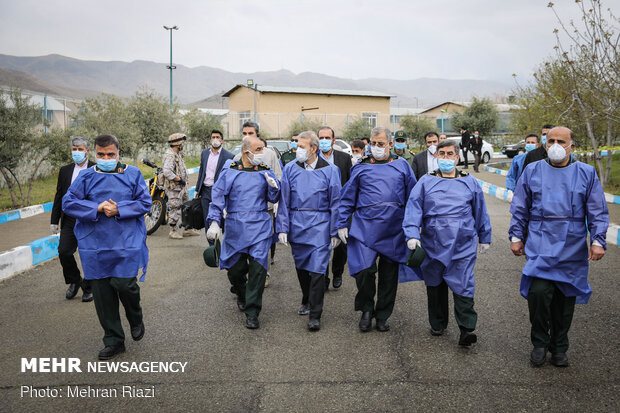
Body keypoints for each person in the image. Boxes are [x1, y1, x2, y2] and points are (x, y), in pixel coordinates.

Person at [509, 126, 608, 368]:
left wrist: (598, 240)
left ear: (572, 146)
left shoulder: (586, 173)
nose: (555, 145)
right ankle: (540, 343)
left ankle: (559, 346)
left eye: (561, 141)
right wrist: (516, 236)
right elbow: (521, 207)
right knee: (539, 293)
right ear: (544, 144)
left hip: (572, 245)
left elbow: (596, 210)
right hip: (540, 242)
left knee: (565, 299)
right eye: (550, 140)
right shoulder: (532, 171)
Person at [62, 134, 151, 360]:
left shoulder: (132, 174)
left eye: (110, 154)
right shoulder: (85, 176)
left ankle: (135, 316)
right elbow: (69, 202)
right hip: (95, 244)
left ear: (118, 153)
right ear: (94, 153)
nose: (106, 158)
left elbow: (144, 202)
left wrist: (119, 208)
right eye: (101, 154)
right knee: (102, 295)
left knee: (126, 285)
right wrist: (97, 208)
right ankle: (113, 340)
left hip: (126, 241)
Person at [403, 139, 491, 346]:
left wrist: (484, 236)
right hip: (433, 241)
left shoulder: (470, 182)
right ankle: (438, 322)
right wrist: (412, 234)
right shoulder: (425, 181)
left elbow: (480, 211)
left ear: (457, 157)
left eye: (449, 154)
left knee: (463, 283)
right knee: (435, 282)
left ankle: (466, 328)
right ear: (436, 157)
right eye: (441, 154)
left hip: (463, 243)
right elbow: (414, 208)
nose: (445, 158)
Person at [337, 126, 417, 332]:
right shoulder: (360, 168)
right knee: (364, 271)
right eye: (373, 144)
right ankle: (366, 309)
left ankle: (382, 314)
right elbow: (347, 199)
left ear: (390, 144)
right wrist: (342, 223)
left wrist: (415, 227)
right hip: (365, 227)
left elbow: (414, 199)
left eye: (381, 144)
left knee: (389, 276)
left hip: (394, 228)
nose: (376, 147)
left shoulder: (402, 166)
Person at [207, 136, 280, 329]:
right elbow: (217, 198)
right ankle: (241, 292)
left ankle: (253, 312)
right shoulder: (230, 170)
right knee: (235, 269)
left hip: (260, 226)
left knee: (258, 270)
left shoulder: (265, 170)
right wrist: (214, 221)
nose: (262, 153)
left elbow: (273, 196)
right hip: (236, 227)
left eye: (263, 149)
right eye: (258, 149)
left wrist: (274, 188)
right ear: (246, 152)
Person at [276, 131, 341, 330]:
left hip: (320, 223)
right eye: (297, 146)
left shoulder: (331, 170)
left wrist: (335, 230)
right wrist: (282, 227)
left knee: (318, 269)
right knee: (302, 267)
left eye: (302, 147)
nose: (298, 150)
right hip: (297, 223)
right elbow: (284, 200)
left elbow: (336, 202)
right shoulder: (290, 169)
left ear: (313, 149)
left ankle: (315, 314)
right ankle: (306, 298)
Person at [233, 122, 282, 287]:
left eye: (251, 133)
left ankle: (263, 273)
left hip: (264, 209)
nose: (247, 136)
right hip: (242, 211)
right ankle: (247, 273)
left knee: (262, 244)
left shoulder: (268, 155)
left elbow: (278, 176)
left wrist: (276, 196)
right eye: (244, 133)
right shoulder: (236, 157)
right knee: (243, 244)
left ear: (258, 134)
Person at [51, 136, 96, 302]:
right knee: (64, 251)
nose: (76, 152)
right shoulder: (64, 170)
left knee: (89, 254)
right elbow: (59, 196)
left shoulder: (96, 169)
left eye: (80, 149)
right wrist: (54, 220)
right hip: (70, 219)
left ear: (87, 151)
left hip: (89, 219)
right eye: (74, 149)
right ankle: (76, 281)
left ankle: (89, 288)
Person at [317, 126, 352, 290]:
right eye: (321, 138)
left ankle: (337, 273)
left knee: (341, 245)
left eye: (327, 137)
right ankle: (323, 277)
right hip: (320, 209)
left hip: (340, 208)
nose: (324, 141)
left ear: (333, 139)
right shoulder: (312, 158)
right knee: (321, 244)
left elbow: (350, 182)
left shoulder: (344, 158)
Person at [195, 129, 234, 238]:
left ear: (222, 141)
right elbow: (202, 172)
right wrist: (197, 189)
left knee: (223, 219)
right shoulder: (204, 154)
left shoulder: (229, 156)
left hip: (221, 192)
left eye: (218, 137)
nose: (215, 139)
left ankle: (226, 245)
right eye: (213, 137)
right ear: (210, 139)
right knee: (208, 219)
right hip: (206, 191)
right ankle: (212, 247)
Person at [162, 133, 199, 239]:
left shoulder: (177, 154)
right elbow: (167, 172)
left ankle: (188, 229)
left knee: (187, 206)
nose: (183, 144)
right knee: (175, 207)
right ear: (178, 143)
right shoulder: (170, 155)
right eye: (182, 142)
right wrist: (179, 179)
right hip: (175, 188)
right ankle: (172, 231)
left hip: (182, 187)